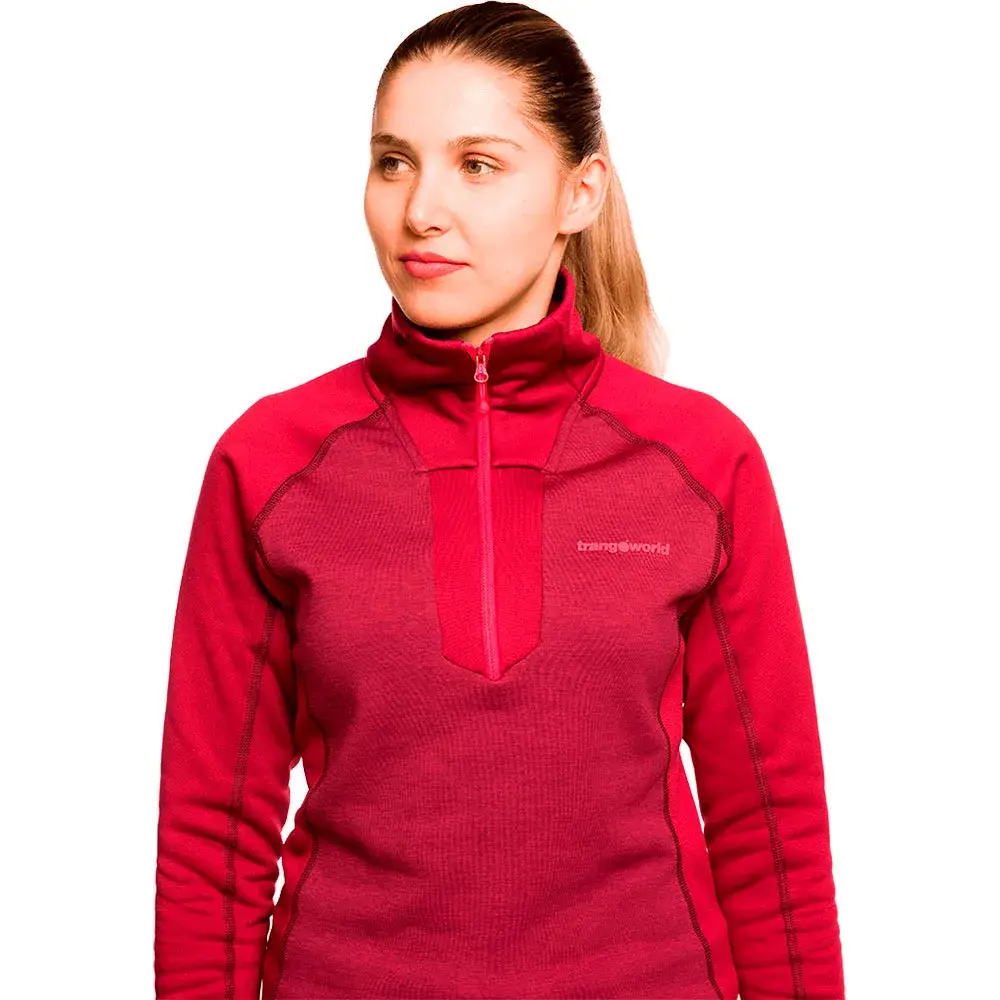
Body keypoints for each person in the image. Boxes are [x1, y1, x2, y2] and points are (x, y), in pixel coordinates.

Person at [153, 3, 845, 998]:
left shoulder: (699, 460)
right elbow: (211, 834)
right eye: (393, 162)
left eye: (477, 165)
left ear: (579, 193)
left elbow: (769, 823)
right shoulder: (270, 461)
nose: (421, 209)